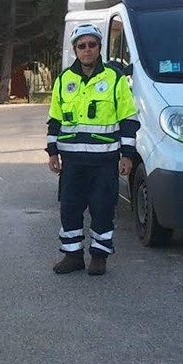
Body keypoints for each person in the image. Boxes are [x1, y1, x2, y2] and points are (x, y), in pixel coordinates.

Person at [46, 24, 139, 276]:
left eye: (92, 45)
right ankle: (73, 255)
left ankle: (99, 256)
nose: (87, 50)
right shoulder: (64, 79)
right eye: (81, 45)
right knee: (70, 208)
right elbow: (54, 119)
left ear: (99, 47)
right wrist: (52, 151)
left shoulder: (115, 78)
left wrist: (128, 155)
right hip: (72, 161)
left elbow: (128, 119)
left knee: (102, 208)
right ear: (75, 49)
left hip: (104, 160)